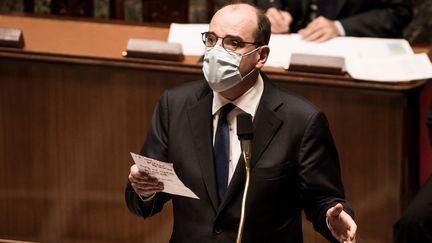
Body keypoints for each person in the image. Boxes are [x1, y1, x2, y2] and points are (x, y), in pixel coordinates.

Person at [125, 3, 357, 242]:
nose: (216, 51)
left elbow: (322, 200)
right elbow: (144, 199)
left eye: (233, 43)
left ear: (261, 56)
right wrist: (143, 191)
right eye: (211, 39)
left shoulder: (302, 120)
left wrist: (332, 217)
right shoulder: (174, 106)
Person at [255, 0, 413, 42]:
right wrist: (273, 9)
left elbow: (399, 12)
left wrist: (340, 27)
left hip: (356, 49)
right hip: (294, 44)